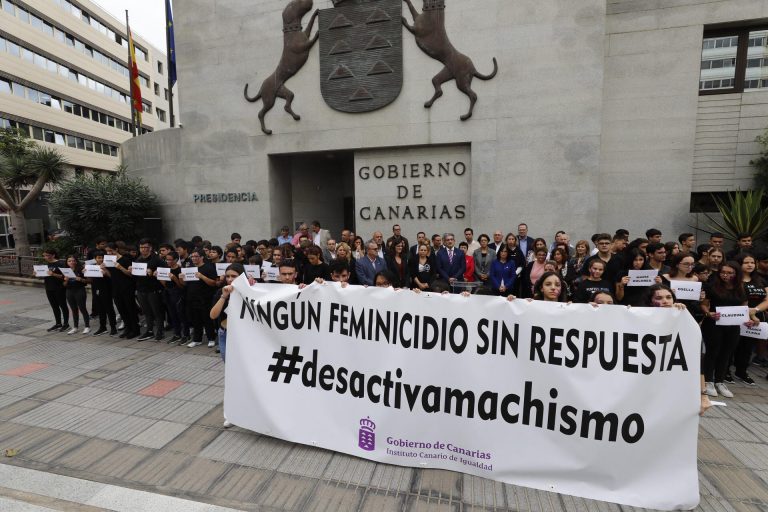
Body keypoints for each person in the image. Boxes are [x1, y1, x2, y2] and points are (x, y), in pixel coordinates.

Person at [644, 284, 711, 416]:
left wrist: (703, 396)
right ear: (650, 302)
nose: (665, 301)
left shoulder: (683, 321)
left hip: (673, 386)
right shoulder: (640, 319)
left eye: (669, 297)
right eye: (659, 298)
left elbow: (697, 363)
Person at [700, 261, 759, 398]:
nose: (725, 275)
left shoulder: (741, 288)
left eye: (730, 273)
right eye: (723, 272)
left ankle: (720, 381)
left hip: (733, 325)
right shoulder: (712, 286)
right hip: (714, 324)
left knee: (726, 353)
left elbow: (744, 308)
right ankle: (708, 381)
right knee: (712, 352)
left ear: (736, 274)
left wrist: (750, 319)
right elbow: (704, 304)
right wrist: (709, 313)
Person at [734, 253, 768, 384]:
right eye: (746, 262)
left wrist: (755, 310)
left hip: (756, 317)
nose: (750, 265)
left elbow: (766, 300)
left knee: (747, 347)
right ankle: (725, 372)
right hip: (737, 316)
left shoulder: (760, 280)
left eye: (752, 262)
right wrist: (748, 313)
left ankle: (741, 371)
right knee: (733, 345)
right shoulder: (734, 279)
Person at [180, 249, 218, 348]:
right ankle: (197, 339)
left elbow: (213, 283)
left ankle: (211, 338)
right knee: (195, 320)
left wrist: (202, 276)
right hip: (192, 298)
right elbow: (184, 284)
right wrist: (181, 278)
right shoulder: (189, 268)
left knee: (207, 319)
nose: (193, 258)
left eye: (196, 256)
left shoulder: (208, 268)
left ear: (202, 257)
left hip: (205, 298)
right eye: (192, 256)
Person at [132, 239, 165, 341]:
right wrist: (132, 270)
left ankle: (160, 332)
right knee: (146, 311)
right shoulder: (138, 260)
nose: (143, 249)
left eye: (145, 247)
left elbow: (165, 272)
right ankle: (149, 331)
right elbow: (135, 276)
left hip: (154, 289)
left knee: (157, 311)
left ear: (150, 248)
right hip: (141, 289)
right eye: (141, 247)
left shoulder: (157, 260)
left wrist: (154, 273)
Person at [662, 253, 703, 322]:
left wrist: (700, 297)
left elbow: (694, 299)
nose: (690, 267)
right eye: (686, 264)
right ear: (677, 264)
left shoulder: (694, 278)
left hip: (689, 311)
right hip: (670, 310)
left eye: (692, 264)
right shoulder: (665, 277)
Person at [40, 248, 69, 332]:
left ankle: (66, 324)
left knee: (63, 305)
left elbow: (65, 276)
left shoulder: (60, 264)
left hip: (59, 288)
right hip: (49, 287)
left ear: (53, 255)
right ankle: (58, 323)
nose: (46, 257)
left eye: (47, 255)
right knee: (54, 306)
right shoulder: (46, 264)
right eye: (44, 255)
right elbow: (45, 275)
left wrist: (54, 274)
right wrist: (38, 273)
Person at [91, 251, 117, 336]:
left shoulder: (109, 266)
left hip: (106, 290)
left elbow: (112, 277)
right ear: (95, 259)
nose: (101, 259)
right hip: (96, 289)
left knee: (109, 309)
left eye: (102, 257)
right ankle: (102, 327)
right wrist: (85, 271)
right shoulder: (92, 266)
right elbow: (90, 279)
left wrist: (105, 270)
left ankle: (113, 327)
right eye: (99, 258)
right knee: (100, 309)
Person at [63, 255, 90, 334]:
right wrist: (66, 280)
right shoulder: (65, 270)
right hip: (69, 291)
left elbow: (88, 281)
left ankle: (87, 326)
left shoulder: (81, 269)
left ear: (76, 261)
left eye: (73, 260)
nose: (71, 262)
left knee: (82, 308)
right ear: (67, 262)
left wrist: (81, 279)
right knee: (73, 309)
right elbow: (64, 284)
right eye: (69, 261)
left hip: (79, 290)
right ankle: (75, 327)